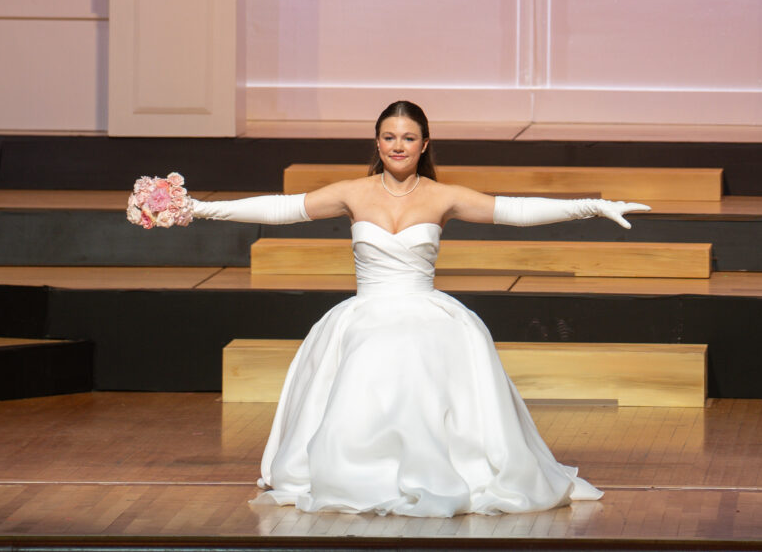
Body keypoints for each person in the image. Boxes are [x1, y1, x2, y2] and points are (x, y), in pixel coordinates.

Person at [190, 101, 649, 517]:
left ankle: (443, 471)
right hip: (367, 310)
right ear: (377, 142)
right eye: (389, 137)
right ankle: (359, 473)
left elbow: (516, 210)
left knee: (422, 355)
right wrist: (202, 210)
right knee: (369, 355)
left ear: (424, 144)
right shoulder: (353, 191)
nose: (398, 145)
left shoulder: (441, 195)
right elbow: (281, 209)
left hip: (426, 308)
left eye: (408, 138)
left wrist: (593, 206)